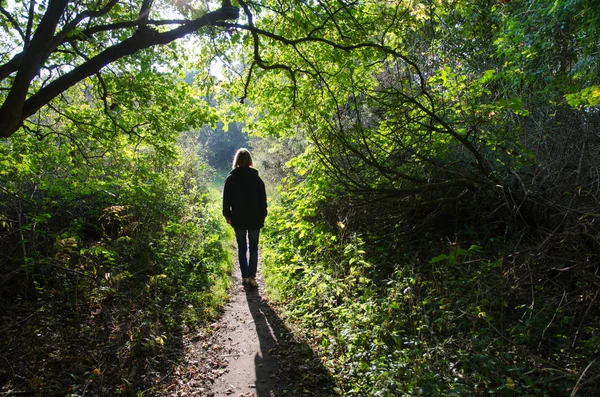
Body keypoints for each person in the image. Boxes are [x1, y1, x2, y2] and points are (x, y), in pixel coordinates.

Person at [222, 148, 268, 287]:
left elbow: (226, 200)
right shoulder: (257, 178)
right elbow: (263, 199)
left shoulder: (231, 178)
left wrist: (227, 215)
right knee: (253, 246)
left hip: (238, 218)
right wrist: (263, 214)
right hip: (255, 217)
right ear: (249, 160)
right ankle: (252, 276)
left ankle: (245, 277)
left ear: (236, 160)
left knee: (242, 246)